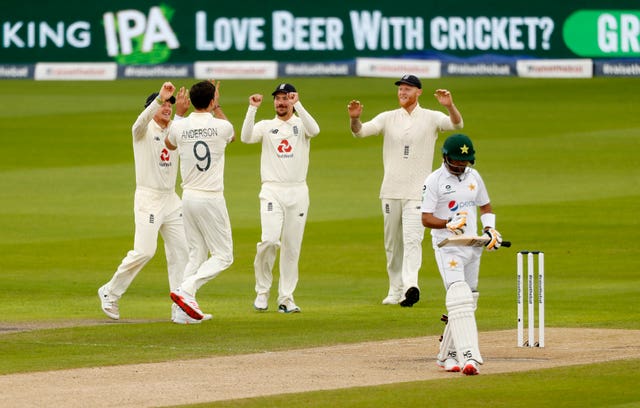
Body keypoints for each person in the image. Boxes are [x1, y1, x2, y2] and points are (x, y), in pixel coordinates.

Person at [347, 74, 464, 307]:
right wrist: (354, 119)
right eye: (400, 89)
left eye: (408, 89)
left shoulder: (431, 117)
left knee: (412, 240)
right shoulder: (388, 117)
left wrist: (449, 106)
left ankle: (411, 287)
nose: (402, 92)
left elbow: (456, 124)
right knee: (392, 244)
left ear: (418, 92)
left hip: (417, 192)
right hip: (390, 190)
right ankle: (394, 289)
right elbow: (360, 132)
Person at [98, 81, 192, 323]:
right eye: (163, 104)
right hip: (148, 198)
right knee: (144, 251)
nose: (168, 107)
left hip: (171, 198)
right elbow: (138, 123)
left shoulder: (174, 131)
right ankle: (110, 291)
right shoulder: (143, 130)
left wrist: (202, 106)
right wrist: (159, 98)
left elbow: (188, 129)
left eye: (170, 105)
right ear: (153, 106)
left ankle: (180, 307)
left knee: (181, 251)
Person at [421, 133, 503, 375]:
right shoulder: (434, 180)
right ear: (446, 157)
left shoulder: (474, 176)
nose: (460, 166)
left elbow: (485, 206)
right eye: (457, 162)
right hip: (448, 246)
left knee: (470, 300)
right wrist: (448, 222)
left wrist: (490, 229)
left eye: (464, 162)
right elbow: (425, 218)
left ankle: (447, 355)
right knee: (459, 296)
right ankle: (465, 356)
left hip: (472, 245)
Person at [240, 83, 320, 313]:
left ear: (292, 101)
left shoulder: (301, 124)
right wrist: (252, 109)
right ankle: (262, 291)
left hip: (298, 191)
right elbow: (246, 138)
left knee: (292, 247)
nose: (281, 102)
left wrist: (300, 105)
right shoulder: (266, 126)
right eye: (277, 99)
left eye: (285, 98)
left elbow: (315, 130)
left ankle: (286, 298)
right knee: (269, 240)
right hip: (272, 190)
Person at [165, 80, 235, 321]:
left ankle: (180, 313)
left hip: (188, 197)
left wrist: (180, 115)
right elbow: (232, 135)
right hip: (211, 198)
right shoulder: (222, 127)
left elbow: (169, 143)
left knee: (197, 254)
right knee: (224, 256)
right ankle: (187, 290)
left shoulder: (180, 126)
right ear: (213, 100)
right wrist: (217, 106)